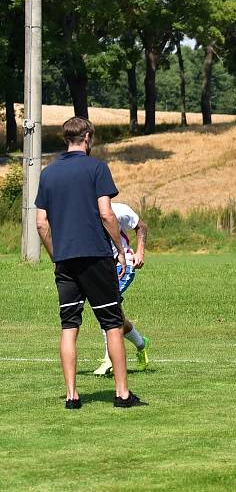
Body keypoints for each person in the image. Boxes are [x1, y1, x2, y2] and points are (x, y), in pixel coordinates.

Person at [34, 116, 145, 408]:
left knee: (69, 326)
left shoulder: (48, 174)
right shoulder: (97, 168)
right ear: (87, 138)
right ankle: (122, 394)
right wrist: (121, 252)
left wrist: (56, 256)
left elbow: (41, 224)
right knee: (111, 323)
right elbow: (107, 214)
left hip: (65, 260)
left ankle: (71, 396)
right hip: (96, 256)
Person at [93, 202, 152, 375]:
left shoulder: (119, 210)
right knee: (116, 315)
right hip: (100, 268)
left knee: (107, 308)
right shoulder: (83, 212)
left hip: (123, 265)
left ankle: (108, 359)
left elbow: (141, 226)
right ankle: (142, 344)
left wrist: (140, 252)